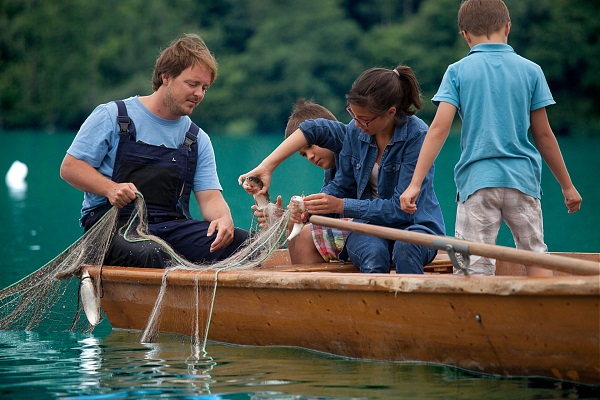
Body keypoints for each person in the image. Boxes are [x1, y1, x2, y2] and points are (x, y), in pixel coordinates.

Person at [399, 0, 582, 276]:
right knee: (535, 256)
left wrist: (414, 184)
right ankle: (544, 315)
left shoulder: (457, 71)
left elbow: (438, 129)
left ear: (465, 35)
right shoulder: (531, 70)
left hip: (477, 183)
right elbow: (544, 135)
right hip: (523, 181)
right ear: (508, 27)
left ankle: (475, 316)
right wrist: (567, 186)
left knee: (471, 264)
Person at [60, 33, 248, 268]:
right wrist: (110, 188)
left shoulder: (197, 138)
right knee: (154, 254)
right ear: (165, 77)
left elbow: (210, 198)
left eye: (204, 88)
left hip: (169, 226)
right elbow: (70, 168)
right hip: (111, 225)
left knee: (245, 243)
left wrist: (224, 219)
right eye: (192, 84)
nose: (199, 94)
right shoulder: (111, 115)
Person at [240, 66, 446, 274]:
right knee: (372, 253)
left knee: (406, 248)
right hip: (368, 228)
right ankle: (373, 306)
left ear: (390, 112)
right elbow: (317, 137)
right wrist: (304, 202)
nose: (357, 124)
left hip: (415, 226)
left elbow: (398, 209)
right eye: (353, 115)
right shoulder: (356, 133)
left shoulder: (416, 136)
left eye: (364, 118)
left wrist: (340, 205)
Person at [247, 98, 350, 264]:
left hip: (370, 232)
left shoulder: (350, 153)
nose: (310, 156)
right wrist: (283, 218)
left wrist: (301, 213)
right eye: (303, 154)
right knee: (294, 228)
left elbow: (335, 195)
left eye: (310, 146)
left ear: (327, 133)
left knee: (304, 234)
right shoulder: (330, 173)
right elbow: (324, 209)